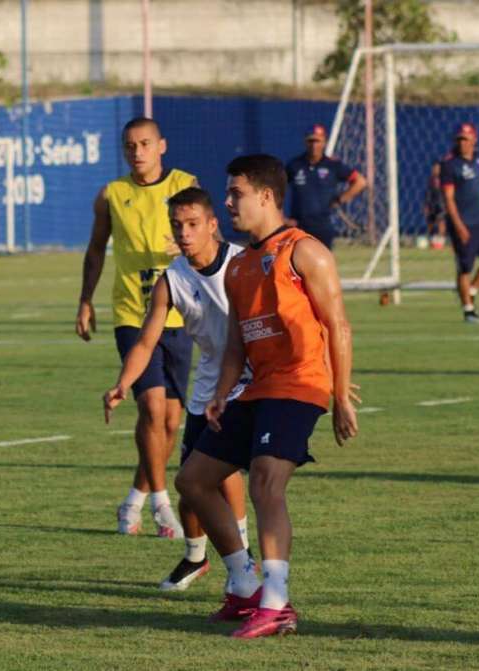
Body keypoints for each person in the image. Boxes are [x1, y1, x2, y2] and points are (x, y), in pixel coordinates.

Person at [175, 154, 358, 639]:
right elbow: (237, 341)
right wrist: (220, 394)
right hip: (256, 389)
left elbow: (337, 324)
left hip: (300, 385)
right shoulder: (239, 267)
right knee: (193, 479)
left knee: (265, 483)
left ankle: (276, 602)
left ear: (266, 197)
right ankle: (244, 584)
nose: (229, 202)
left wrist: (340, 394)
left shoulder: (306, 252)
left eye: (235, 194)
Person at [103, 186, 252, 591]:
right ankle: (196, 556)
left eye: (192, 224)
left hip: (250, 382)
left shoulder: (243, 264)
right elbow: (147, 341)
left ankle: (245, 557)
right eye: (176, 225)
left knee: (223, 472)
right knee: (190, 483)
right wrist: (122, 384)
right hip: (208, 388)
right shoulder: (173, 279)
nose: (183, 233)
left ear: (212, 225)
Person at [76, 116, 196, 538]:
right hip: (132, 315)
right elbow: (95, 250)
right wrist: (85, 300)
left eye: (145, 143)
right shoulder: (112, 195)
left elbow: (205, 236)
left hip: (180, 314)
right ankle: (164, 507)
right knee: (151, 408)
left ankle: (133, 501)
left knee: (170, 422)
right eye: (130, 145)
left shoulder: (184, 185)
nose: (137, 151)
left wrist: (184, 243)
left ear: (161, 145)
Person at [440, 122, 479, 324]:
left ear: (474, 140)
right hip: (465, 224)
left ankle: (472, 290)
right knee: (465, 268)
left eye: (466, 139)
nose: (462, 143)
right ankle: (468, 311)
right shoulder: (450, 165)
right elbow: (448, 198)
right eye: (459, 139)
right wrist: (458, 225)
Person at [284, 124, 367, 249]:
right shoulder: (294, 166)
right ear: (305, 142)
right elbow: (274, 189)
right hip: (298, 225)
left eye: (317, 141)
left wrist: (340, 199)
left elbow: (360, 182)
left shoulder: (333, 165)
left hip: (323, 226)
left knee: (323, 264)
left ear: (324, 142)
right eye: (310, 141)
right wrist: (282, 219)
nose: (314, 145)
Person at [423, 160, 447, 249]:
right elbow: (427, 194)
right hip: (432, 204)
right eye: (434, 168)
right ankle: (432, 241)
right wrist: (426, 205)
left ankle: (441, 242)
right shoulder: (431, 180)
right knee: (430, 222)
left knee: (441, 222)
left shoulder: (444, 179)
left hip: (442, 204)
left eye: (437, 168)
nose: (436, 170)